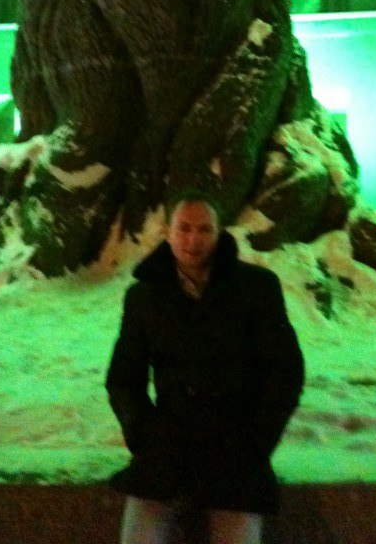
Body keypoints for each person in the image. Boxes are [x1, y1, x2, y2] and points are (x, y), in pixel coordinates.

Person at [106, 192, 305, 544]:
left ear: (219, 233)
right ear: (168, 233)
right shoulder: (145, 296)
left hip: (235, 448)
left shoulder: (256, 288)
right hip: (166, 448)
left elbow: (284, 371)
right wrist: (144, 435)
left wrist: (257, 441)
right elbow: (124, 378)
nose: (192, 240)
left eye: (204, 230)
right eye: (184, 229)